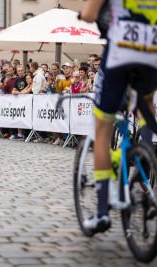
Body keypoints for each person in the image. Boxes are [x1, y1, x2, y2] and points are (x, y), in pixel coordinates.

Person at [79, 0, 157, 233]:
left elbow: (90, 14)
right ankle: (146, 151)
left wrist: (83, 14)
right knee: (147, 104)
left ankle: (102, 212)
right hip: (151, 49)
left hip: (121, 48)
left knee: (103, 128)